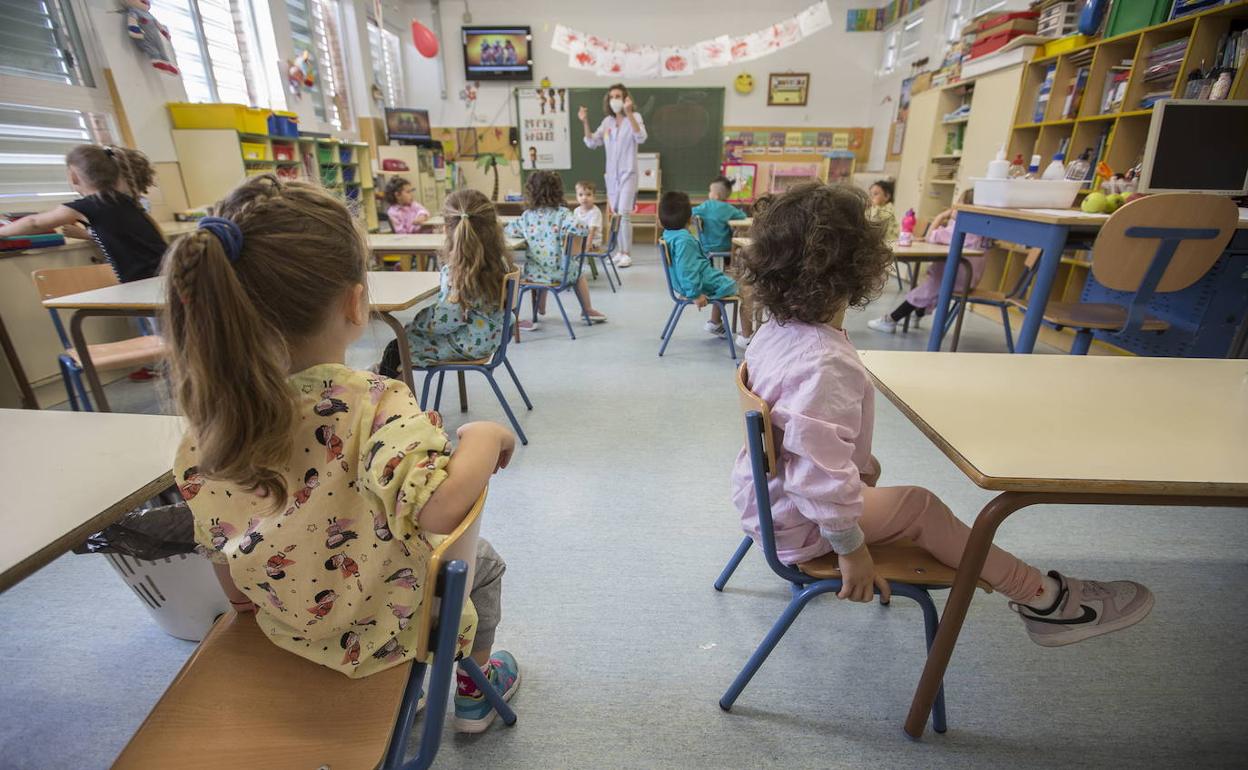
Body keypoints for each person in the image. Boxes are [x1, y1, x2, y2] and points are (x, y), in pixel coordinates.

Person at [163, 175, 520, 732]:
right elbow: (441, 508)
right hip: (390, 627)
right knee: (486, 565)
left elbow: (225, 565)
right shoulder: (373, 405)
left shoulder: (205, 428)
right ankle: (475, 690)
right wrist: (486, 434)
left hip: (289, 625)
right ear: (356, 301)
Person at [734, 182, 1153, 646]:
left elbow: (811, 450)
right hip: (802, 521)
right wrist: (851, 550)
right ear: (859, 267)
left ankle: (1039, 594)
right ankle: (1046, 599)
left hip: (765, 504)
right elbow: (814, 474)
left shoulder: (779, 328)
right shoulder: (822, 360)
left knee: (876, 475)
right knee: (920, 506)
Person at [377, 189, 516, 376]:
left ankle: (388, 397)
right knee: (405, 341)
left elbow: (446, 322)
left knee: (396, 348)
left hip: (469, 344)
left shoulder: (456, 273)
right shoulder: (501, 261)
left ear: (447, 229)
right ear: (493, 226)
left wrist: (418, 322)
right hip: (496, 334)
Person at [0, 144, 163, 284]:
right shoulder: (125, 200)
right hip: (164, 274)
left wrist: (2, 231)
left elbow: (34, 222)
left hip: (144, 281)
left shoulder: (88, 205)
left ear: (73, 176)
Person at [869, 189, 989, 334]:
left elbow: (931, 236)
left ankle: (891, 320)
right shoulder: (982, 230)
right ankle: (916, 315)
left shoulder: (960, 230)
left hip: (953, 279)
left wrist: (941, 216)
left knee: (925, 290)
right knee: (932, 290)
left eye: (959, 202)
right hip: (970, 280)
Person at [505, 171, 606, 329]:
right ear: (557, 191)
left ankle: (539, 307)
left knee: (538, 269)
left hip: (534, 273)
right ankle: (587, 309)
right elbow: (582, 228)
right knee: (579, 274)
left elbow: (510, 231)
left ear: (531, 192)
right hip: (561, 273)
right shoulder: (563, 214)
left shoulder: (526, 216)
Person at [659, 190, 755, 349]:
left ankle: (715, 323)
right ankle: (746, 337)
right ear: (689, 219)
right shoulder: (684, 240)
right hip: (702, 284)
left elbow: (684, 269)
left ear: (660, 221)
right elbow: (687, 270)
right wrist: (694, 294)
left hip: (695, 282)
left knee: (726, 279)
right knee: (747, 289)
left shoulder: (669, 234)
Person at [579, 83, 646, 268]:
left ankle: (627, 253)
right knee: (616, 214)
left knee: (624, 214)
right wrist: (585, 122)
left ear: (625, 99)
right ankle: (619, 251)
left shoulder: (635, 117)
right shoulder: (607, 122)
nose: (614, 100)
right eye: (611, 97)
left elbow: (641, 137)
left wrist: (629, 113)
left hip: (628, 173)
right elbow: (592, 142)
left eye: (618, 96)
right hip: (612, 177)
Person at [691, 176, 748, 259]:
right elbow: (743, 216)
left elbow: (691, 211)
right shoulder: (729, 208)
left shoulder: (707, 205)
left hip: (706, 247)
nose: (709, 193)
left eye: (710, 191)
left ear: (716, 196)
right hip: (726, 246)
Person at [572, 180, 604, 251]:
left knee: (569, 248)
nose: (584, 198)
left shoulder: (595, 212)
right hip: (581, 240)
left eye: (588, 195)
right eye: (580, 195)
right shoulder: (576, 211)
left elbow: (591, 231)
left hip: (593, 242)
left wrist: (587, 245)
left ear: (594, 197)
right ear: (576, 197)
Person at [867, 179, 899, 243]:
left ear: (886, 197)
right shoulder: (873, 208)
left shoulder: (889, 209)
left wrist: (874, 207)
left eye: (875, 194)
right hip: (879, 241)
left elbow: (874, 219)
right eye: (870, 194)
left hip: (890, 241)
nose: (871, 197)